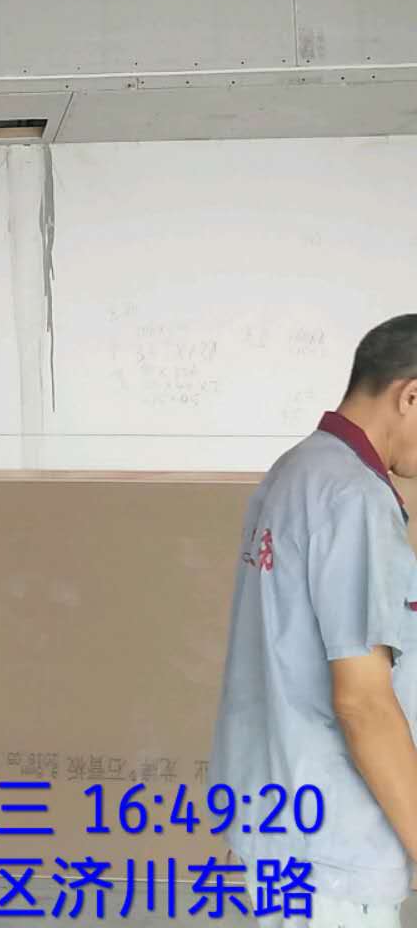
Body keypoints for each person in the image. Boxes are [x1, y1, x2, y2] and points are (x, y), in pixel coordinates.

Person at [211, 315, 417, 928]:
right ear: (411, 396)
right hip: (336, 852)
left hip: (282, 823)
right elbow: (363, 703)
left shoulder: (296, 470)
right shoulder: (354, 497)